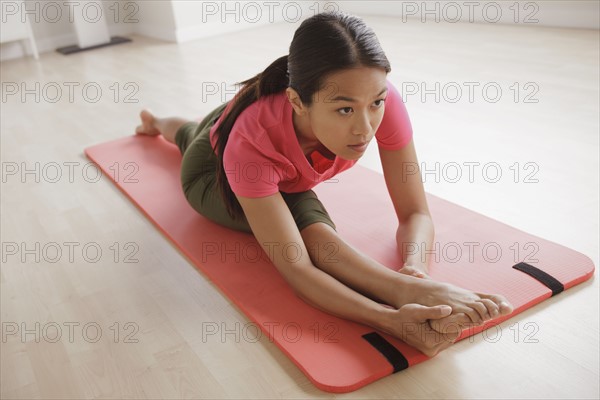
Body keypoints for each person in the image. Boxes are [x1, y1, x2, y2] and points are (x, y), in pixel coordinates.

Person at [136, 11, 513, 357]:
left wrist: (416, 269)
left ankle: (157, 122)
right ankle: (162, 125)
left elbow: (415, 211)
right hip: (211, 169)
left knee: (194, 130)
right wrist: (388, 317)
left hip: (238, 120)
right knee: (210, 152)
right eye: (345, 109)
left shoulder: (377, 99)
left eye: (375, 104)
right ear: (298, 102)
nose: (365, 128)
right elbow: (298, 269)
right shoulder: (251, 145)